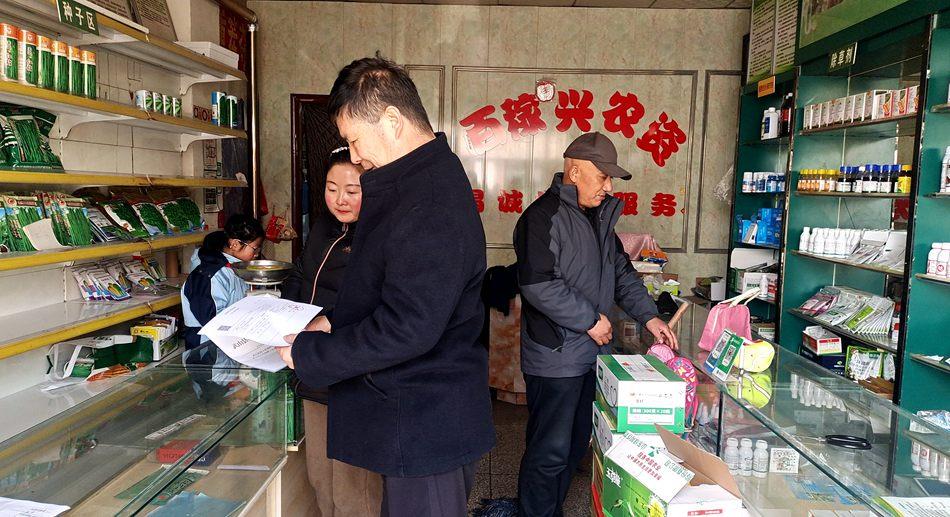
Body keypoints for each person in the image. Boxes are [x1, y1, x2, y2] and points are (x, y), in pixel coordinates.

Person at [276, 56, 495, 517]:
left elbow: (408, 326)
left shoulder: (429, 199)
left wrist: (312, 353)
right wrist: (330, 322)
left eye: (355, 140)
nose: (355, 156)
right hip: (414, 416)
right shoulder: (416, 181)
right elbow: (391, 287)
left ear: (392, 120)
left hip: (425, 421)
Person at [513, 132, 678, 517]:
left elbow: (622, 275)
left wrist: (650, 316)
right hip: (555, 356)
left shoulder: (600, 220)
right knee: (549, 451)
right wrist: (589, 320)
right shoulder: (541, 218)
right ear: (575, 172)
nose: (608, 187)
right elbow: (538, 285)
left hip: (591, 356)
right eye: (602, 177)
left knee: (574, 445)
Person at [281, 146, 383, 517]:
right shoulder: (323, 227)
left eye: (352, 191)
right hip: (313, 368)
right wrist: (283, 313)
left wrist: (325, 324)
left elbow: (377, 304)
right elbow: (301, 273)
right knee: (320, 479)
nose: (340, 199)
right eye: (331, 188)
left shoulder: (379, 235)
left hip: (353, 374)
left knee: (354, 489)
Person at [180, 214, 264, 384]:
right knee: (215, 395)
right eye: (254, 248)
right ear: (235, 244)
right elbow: (212, 321)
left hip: (230, 346)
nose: (257, 254)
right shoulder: (211, 275)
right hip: (207, 352)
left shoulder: (233, 268)